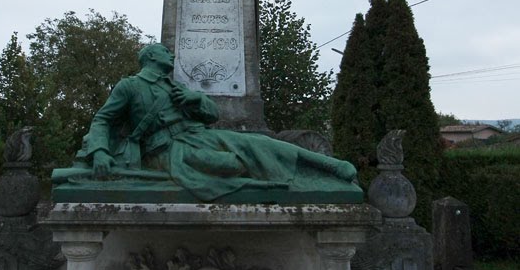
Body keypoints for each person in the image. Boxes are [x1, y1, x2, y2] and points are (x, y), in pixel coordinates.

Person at [73, 42, 358, 202]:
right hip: (169, 150)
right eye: (164, 51)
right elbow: (103, 120)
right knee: (233, 166)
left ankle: (328, 168)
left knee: (259, 142)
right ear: (151, 57)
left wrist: (194, 99)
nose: (171, 54)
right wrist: (99, 151)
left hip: (199, 136)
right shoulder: (130, 86)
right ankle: (290, 178)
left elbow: (211, 115)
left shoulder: (175, 87)